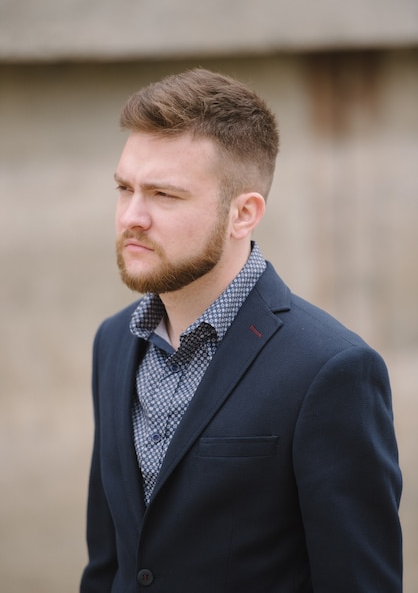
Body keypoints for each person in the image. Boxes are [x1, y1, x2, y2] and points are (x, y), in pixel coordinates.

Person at [80, 68, 402, 593]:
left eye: (163, 194)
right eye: (124, 188)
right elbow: (109, 564)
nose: (131, 217)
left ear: (243, 214)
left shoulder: (331, 369)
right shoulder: (114, 343)